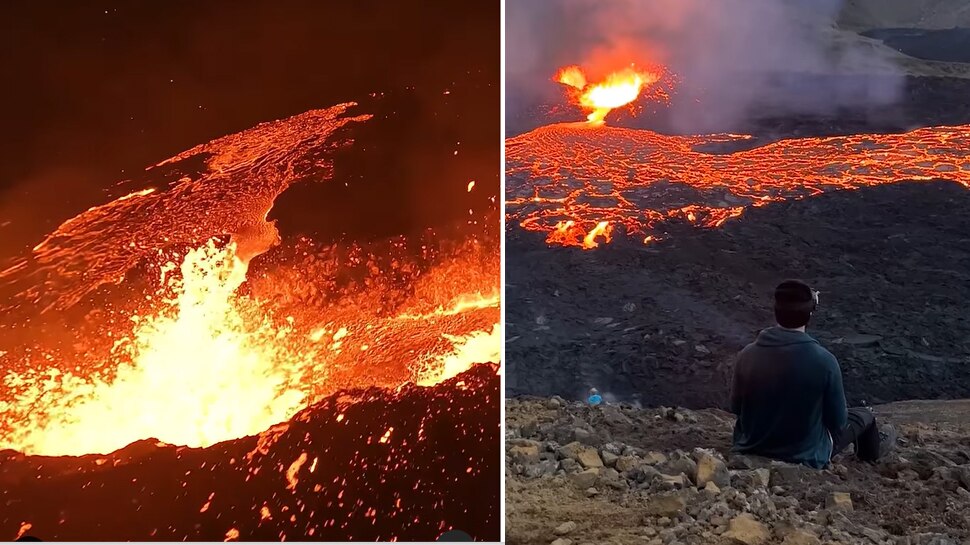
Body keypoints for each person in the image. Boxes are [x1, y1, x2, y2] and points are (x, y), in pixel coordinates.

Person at [730, 279, 896, 469]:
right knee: (864, 416)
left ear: (776, 312)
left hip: (752, 445)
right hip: (804, 454)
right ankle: (871, 453)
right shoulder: (824, 361)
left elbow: (736, 407)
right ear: (809, 315)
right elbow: (838, 422)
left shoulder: (747, 355)